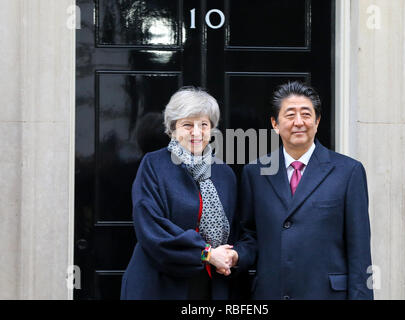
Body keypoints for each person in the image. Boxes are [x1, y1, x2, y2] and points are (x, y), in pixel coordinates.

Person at [228, 81, 374, 300]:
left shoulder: (348, 172)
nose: (298, 122)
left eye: (306, 114)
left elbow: (359, 250)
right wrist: (235, 256)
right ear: (275, 123)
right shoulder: (255, 173)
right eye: (289, 115)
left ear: (317, 121)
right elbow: (251, 235)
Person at [120, 87, 237, 300]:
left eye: (203, 124)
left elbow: (237, 230)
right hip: (159, 285)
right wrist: (207, 253)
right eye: (187, 125)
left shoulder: (225, 174)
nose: (196, 132)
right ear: (172, 129)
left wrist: (233, 256)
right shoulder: (153, 165)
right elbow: (151, 226)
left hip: (210, 286)